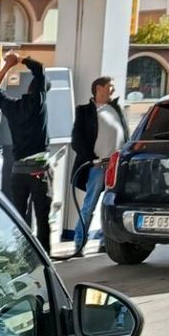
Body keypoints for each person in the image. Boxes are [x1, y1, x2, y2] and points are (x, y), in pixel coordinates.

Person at [0, 51, 52, 251]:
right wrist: (20, 59)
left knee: (19, 217)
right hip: (38, 171)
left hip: (18, 171)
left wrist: (8, 66)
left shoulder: (11, 107)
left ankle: (22, 254)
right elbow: (40, 69)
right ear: (40, 91)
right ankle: (45, 257)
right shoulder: (38, 105)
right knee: (42, 219)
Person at [70, 76, 129, 253]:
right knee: (89, 205)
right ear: (99, 88)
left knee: (111, 205)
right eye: (110, 86)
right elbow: (77, 140)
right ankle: (79, 242)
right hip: (98, 166)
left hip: (117, 166)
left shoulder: (116, 109)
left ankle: (106, 241)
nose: (113, 90)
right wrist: (91, 158)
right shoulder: (85, 111)